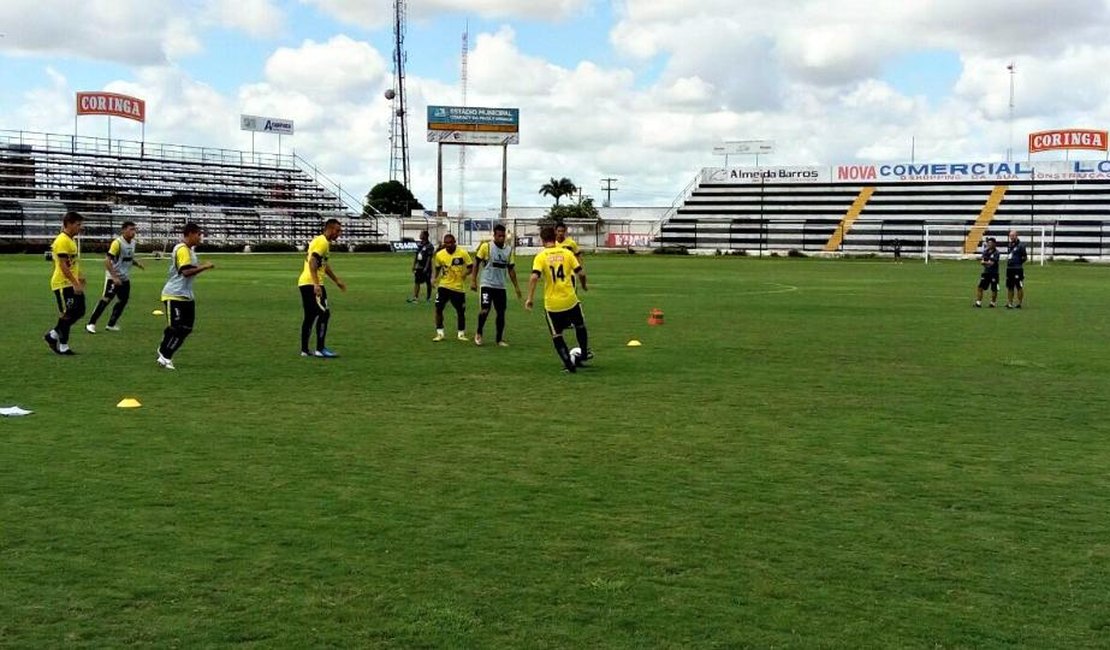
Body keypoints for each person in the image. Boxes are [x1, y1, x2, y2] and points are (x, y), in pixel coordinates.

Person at [525, 226, 592, 373]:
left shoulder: (541, 257)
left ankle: (569, 365)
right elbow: (581, 273)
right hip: (570, 300)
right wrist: (584, 286)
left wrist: (529, 298)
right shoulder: (567, 253)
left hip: (552, 304)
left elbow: (534, 277)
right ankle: (584, 353)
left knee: (557, 335)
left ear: (542, 240)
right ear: (555, 237)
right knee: (580, 326)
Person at [157, 223, 215, 370]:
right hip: (174, 294)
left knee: (187, 328)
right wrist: (205, 266)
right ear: (190, 234)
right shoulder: (182, 249)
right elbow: (186, 272)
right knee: (177, 328)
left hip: (187, 295)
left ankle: (164, 349)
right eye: (198, 234)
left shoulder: (190, 250)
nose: (200, 237)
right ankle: (166, 356)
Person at [298, 218, 347, 358]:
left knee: (310, 316)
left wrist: (336, 280)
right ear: (330, 229)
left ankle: (304, 350)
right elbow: (313, 261)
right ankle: (320, 349)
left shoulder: (320, 241)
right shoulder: (322, 242)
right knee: (325, 313)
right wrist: (316, 284)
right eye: (337, 231)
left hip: (305, 282)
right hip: (311, 283)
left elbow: (323, 265)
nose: (339, 234)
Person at [85, 221, 144, 333]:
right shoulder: (117, 243)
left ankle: (111, 324)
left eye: (134, 229)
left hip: (124, 278)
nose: (133, 232)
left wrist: (137, 264)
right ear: (123, 230)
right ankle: (91, 323)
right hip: (114, 278)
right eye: (131, 229)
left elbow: (128, 258)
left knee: (123, 300)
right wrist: (114, 277)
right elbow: (107, 261)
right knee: (106, 299)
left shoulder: (133, 243)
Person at [470, 224, 523, 346]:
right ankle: (479, 333)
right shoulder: (486, 247)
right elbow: (476, 263)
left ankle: (499, 339)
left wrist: (516, 288)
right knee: (485, 309)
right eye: (499, 236)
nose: (501, 238)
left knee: (501, 313)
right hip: (487, 284)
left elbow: (511, 270)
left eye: (503, 236)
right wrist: (473, 280)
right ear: (494, 235)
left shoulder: (509, 250)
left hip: (500, 286)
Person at [43, 211, 86, 355]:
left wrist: (79, 276)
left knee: (79, 310)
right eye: (78, 224)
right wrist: (75, 282)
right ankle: (63, 346)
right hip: (63, 283)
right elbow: (62, 265)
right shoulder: (62, 240)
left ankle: (52, 335)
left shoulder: (70, 240)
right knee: (67, 314)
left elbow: (71, 263)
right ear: (69, 224)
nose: (81, 227)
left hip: (70, 282)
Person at [432, 233, 473, 342]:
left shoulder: (463, 253)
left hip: (458, 287)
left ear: (455, 242)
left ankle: (461, 334)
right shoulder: (440, 255)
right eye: (446, 243)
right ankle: (440, 333)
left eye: (450, 243)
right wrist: (434, 278)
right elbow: (437, 268)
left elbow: (470, 267)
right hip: (443, 286)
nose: (448, 245)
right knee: (438, 308)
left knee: (460, 311)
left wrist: (465, 274)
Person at [408, 230, 435, 303]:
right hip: (419, 266)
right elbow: (416, 255)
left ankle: (428, 298)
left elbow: (429, 257)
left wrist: (426, 267)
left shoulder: (430, 246)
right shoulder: (419, 244)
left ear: (425, 236)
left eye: (421, 234)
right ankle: (415, 297)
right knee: (417, 282)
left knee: (428, 282)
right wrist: (414, 265)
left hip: (426, 266)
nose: (420, 235)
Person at [974, 237, 1000, 308]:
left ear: (994, 244)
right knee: (980, 287)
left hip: (994, 273)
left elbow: (992, 263)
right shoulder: (985, 251)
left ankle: (993, 303)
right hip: (986, 272)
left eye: (991, 243)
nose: (989, 244)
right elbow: (982, 261)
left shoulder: (996, 252)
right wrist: (987, 262)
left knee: (994, 289)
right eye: (988, 243)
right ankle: (978, 302)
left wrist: (986, 262)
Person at [1005, 230, 1028, 309]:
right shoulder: (1009, 245)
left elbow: (1025, 257)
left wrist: (1018, 263)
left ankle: (1019, 303)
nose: (1011, 237)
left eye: (1013, 235)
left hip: (1017, 269)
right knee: (1010, 286)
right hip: (1009, 268)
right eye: (1010, 236)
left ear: (1016, 236)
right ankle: (1010, 303)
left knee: (1018, 286)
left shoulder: (1021, 246)